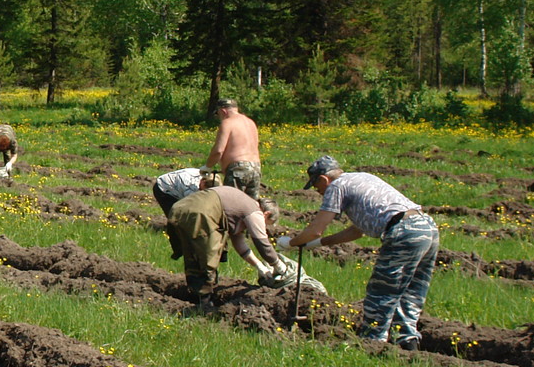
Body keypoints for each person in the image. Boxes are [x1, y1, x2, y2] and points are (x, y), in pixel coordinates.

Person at [283, 155, 440, 346]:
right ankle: (407, 343)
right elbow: (356, 231)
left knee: (381, 292)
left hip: (404, 231)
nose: (319, 193)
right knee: (411, 292)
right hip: (427, 227)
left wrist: (291, 243)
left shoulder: (336, 186)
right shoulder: (363, 178)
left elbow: (316, 229)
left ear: (324, 179)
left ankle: (372, 343)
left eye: (317, 188)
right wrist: (316, 244)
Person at [167, 185, 281, 305]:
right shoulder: (254, 211)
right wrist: (277, 264)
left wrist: (259, 266)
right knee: (208, 259)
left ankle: (195, 296)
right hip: (201, 214)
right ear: (266, 214)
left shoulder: (240, 206)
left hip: (180, 208)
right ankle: (203, 304)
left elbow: (240, 245)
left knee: (193, 255)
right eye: (267, 223)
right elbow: (262, 243)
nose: (265, 227)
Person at [201, 98, 263, 198]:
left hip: (238, 168)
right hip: (256, 168)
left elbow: (218, 150)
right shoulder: (251, 123)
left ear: (223, 111)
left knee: (232, 203)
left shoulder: (227, 123)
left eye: (218, 114)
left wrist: (207, 167)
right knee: (251, 205)